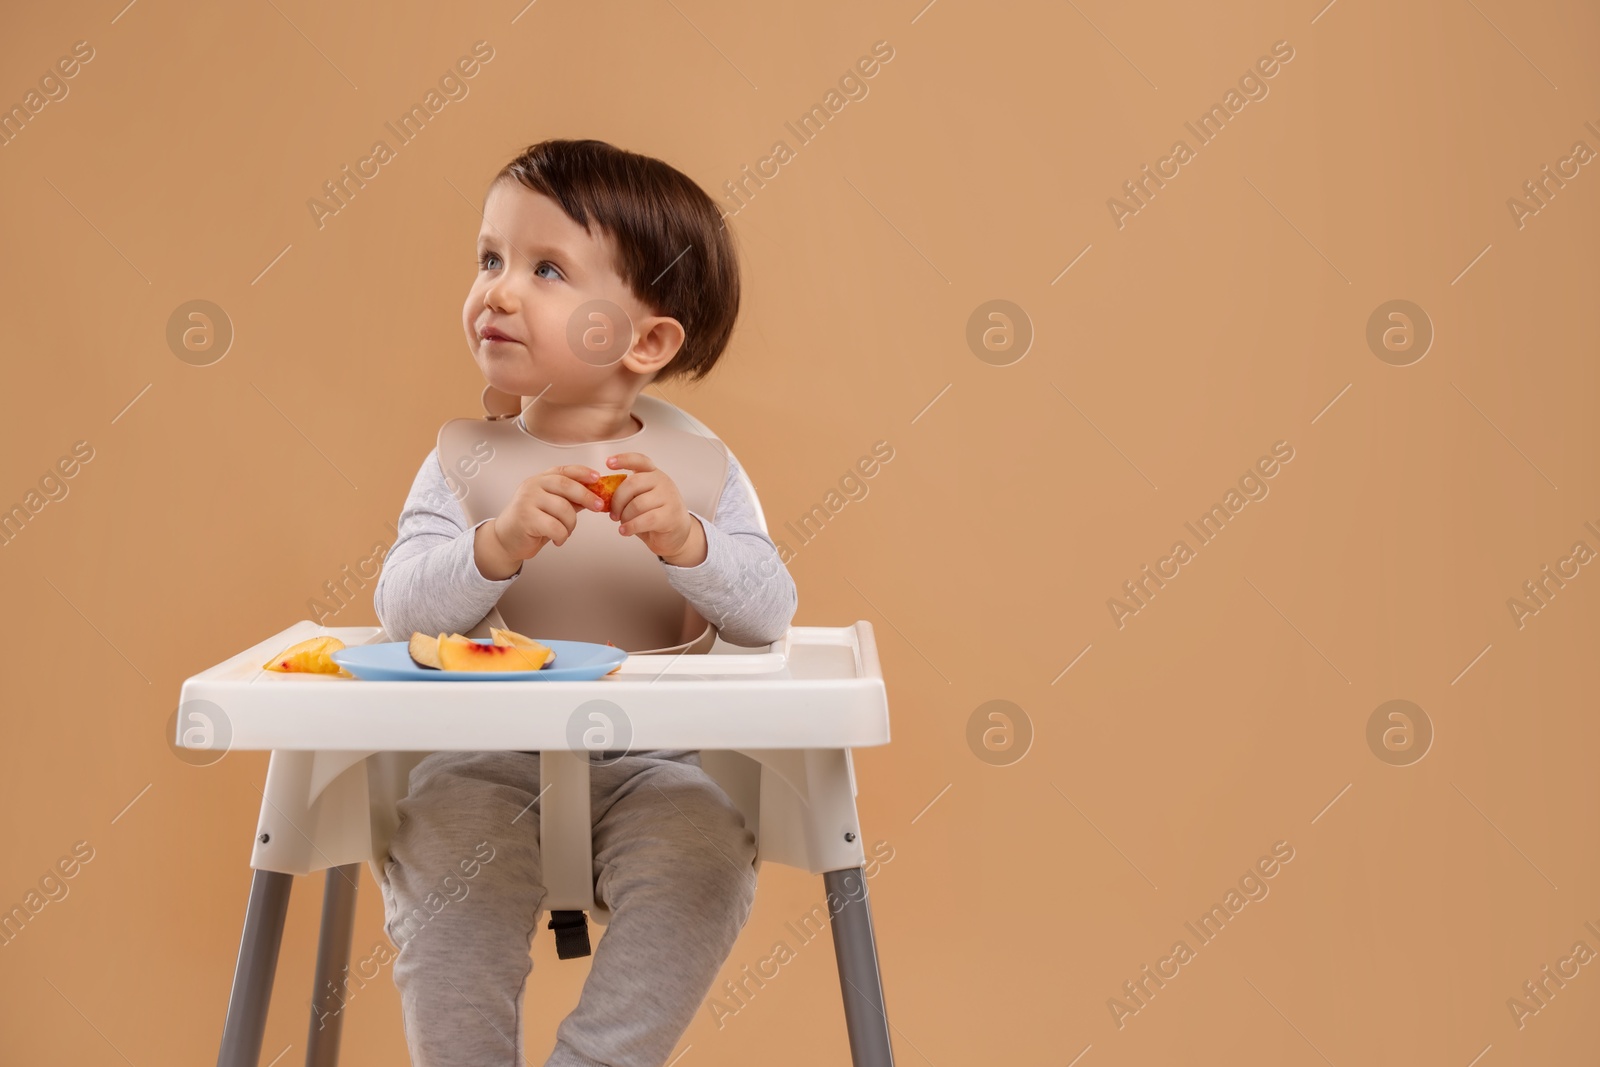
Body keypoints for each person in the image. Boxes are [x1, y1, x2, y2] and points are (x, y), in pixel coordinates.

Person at [372, 138, 798, 1066]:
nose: (501, 289)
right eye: (491, 258)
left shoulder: (700, 472)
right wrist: (495, 545)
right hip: (485, 760)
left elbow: (769, 609)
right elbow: (401, 608)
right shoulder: (465, 461)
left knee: (706, 856)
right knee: (442, 863)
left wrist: (691, 542)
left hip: (650, 762)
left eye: (548, 269)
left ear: (644, 341)